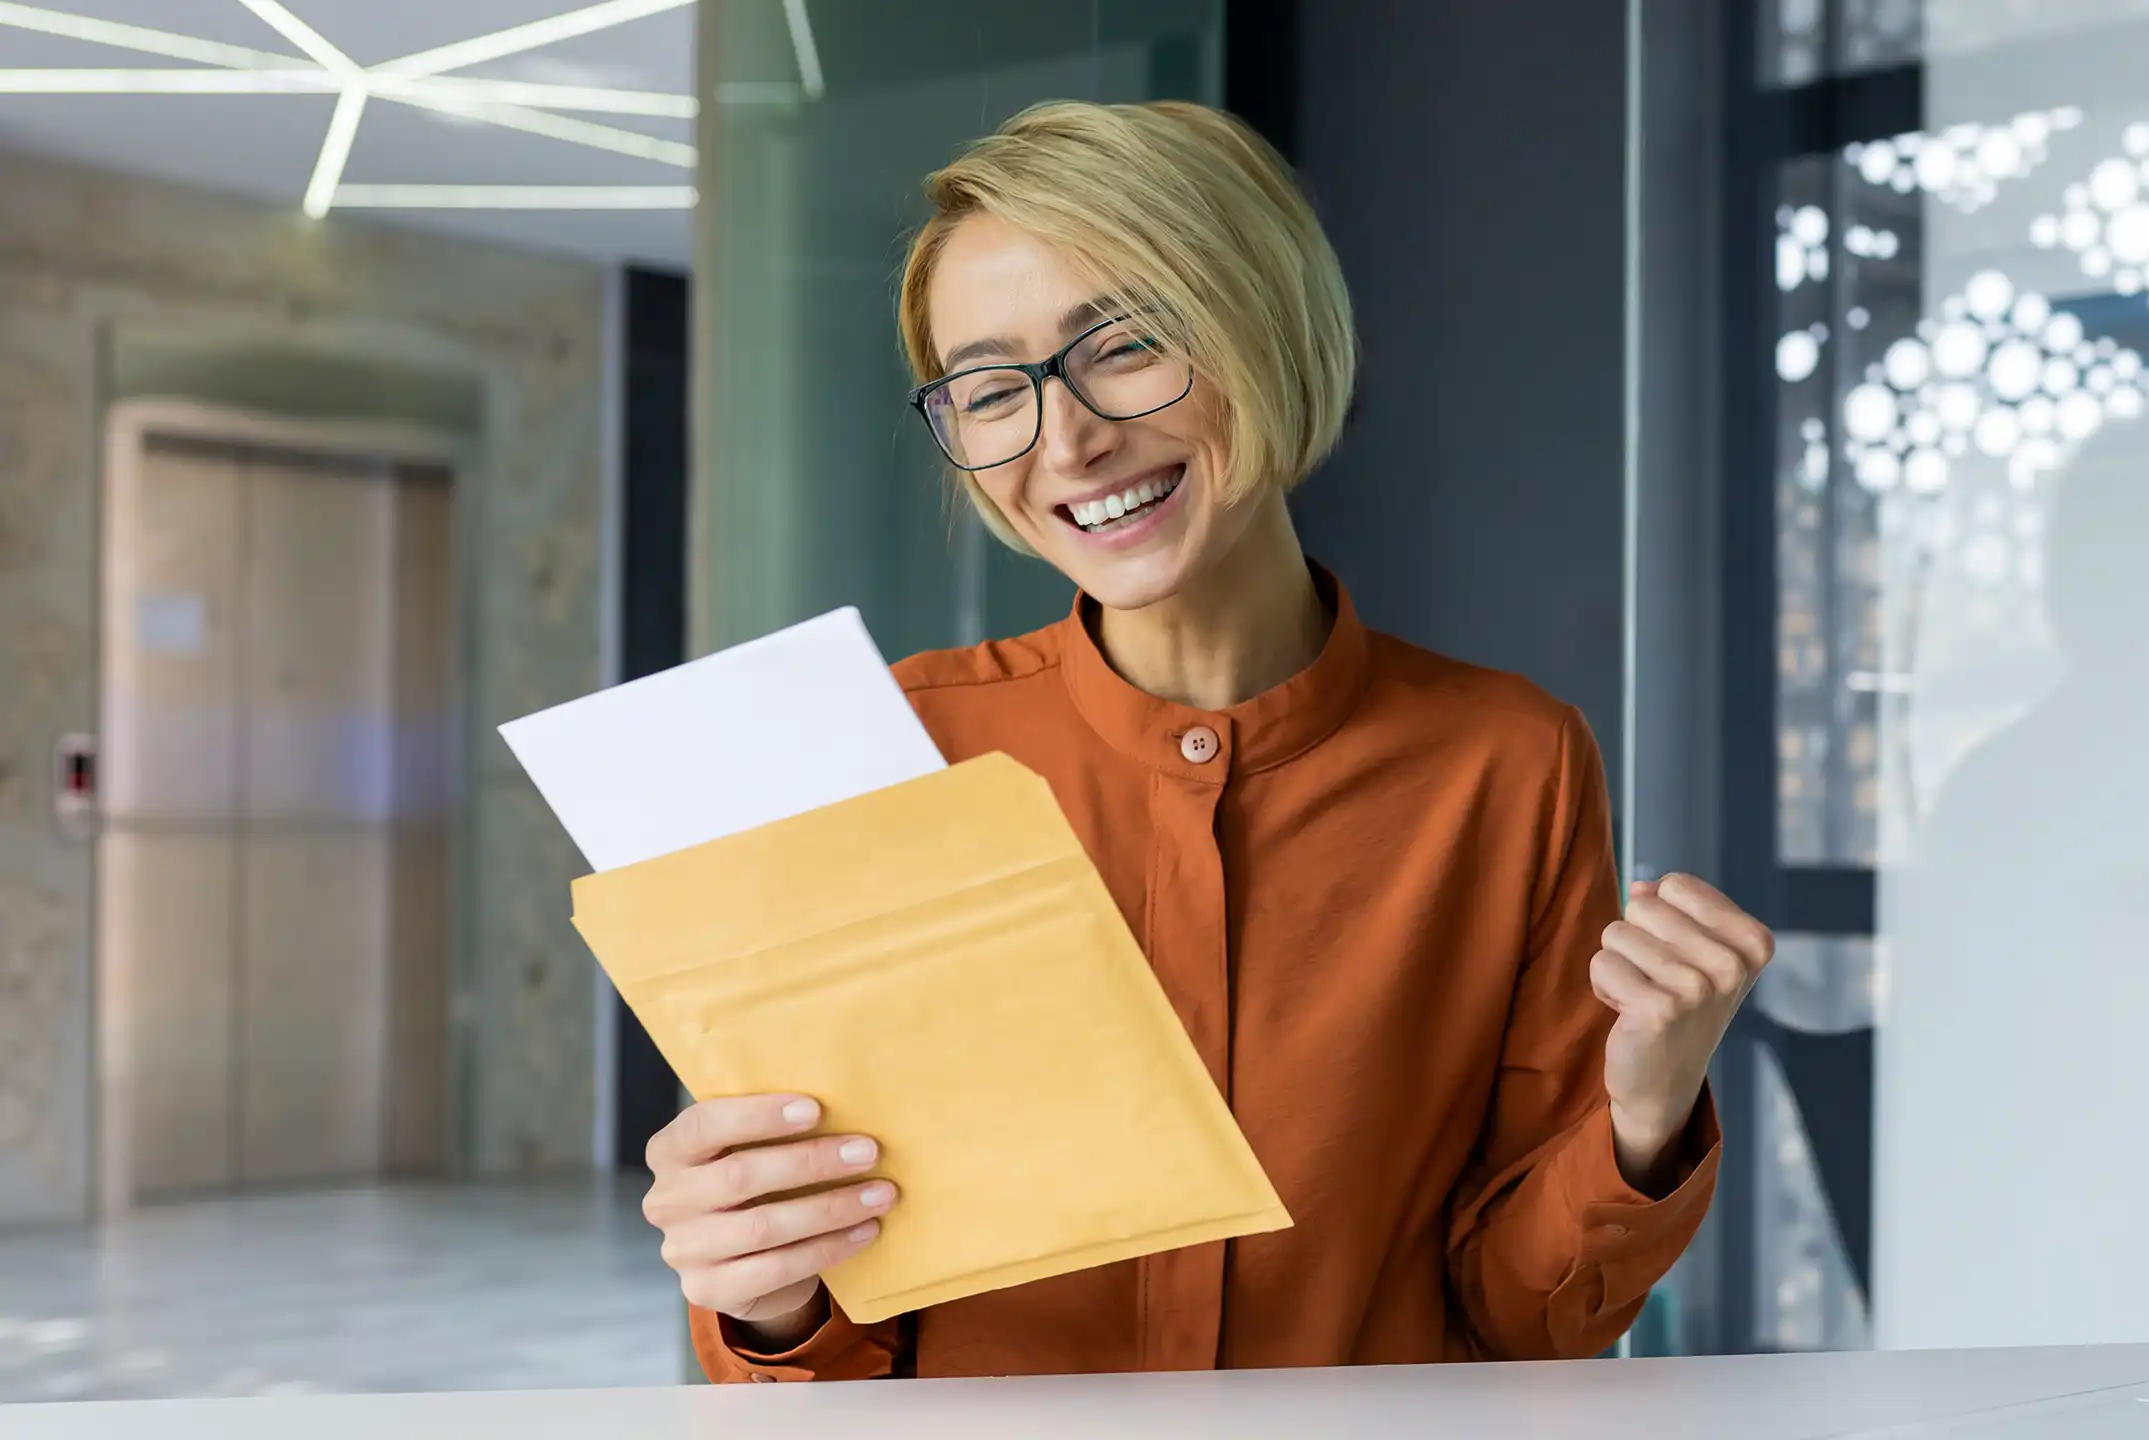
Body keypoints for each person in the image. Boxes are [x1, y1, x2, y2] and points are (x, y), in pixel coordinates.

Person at [638, 100, 1772, 1380]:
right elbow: (811, 1343)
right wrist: (766, 1286)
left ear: (1267, 324)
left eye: (1121, 346)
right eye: (989, 389)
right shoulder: (886, 751)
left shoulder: (1509, 761)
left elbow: (1523, 1319)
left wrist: (1643, 1109)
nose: (1064, 440)